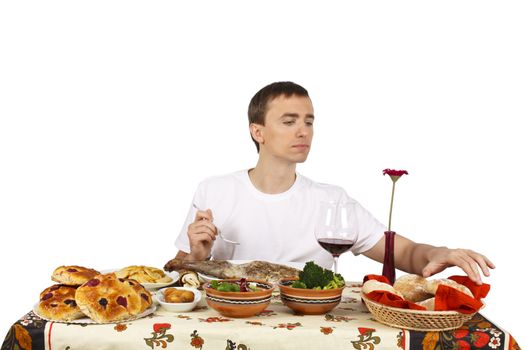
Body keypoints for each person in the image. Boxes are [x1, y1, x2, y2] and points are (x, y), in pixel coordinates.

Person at [174, 81, 494, 285]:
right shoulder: (214, 190)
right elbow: (177, 274)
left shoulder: (331, 201)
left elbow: (402, 252)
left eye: (309, 121)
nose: (304, 131)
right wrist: (195, 257)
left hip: (314, 325)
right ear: (257, 132)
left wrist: (441, 252)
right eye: (289, 121)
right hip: (235, 320)